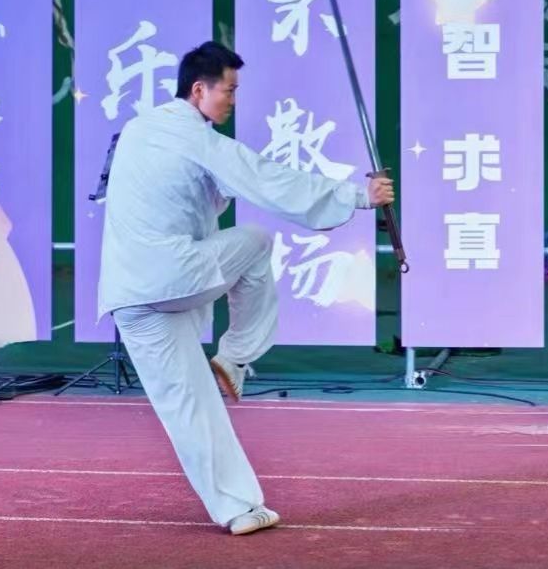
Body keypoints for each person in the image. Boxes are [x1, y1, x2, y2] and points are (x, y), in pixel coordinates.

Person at [97, 41, 394, 536]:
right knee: (256, 242)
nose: (233, 101)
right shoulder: (189, 134)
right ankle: (235, 357)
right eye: (229, 91)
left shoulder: (141, 130)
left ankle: (237, 508)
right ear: (199, 90)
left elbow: (204, 191)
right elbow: (262, 178)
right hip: (170, 275)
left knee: (190, 406)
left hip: (131, 296)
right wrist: (359, 196)